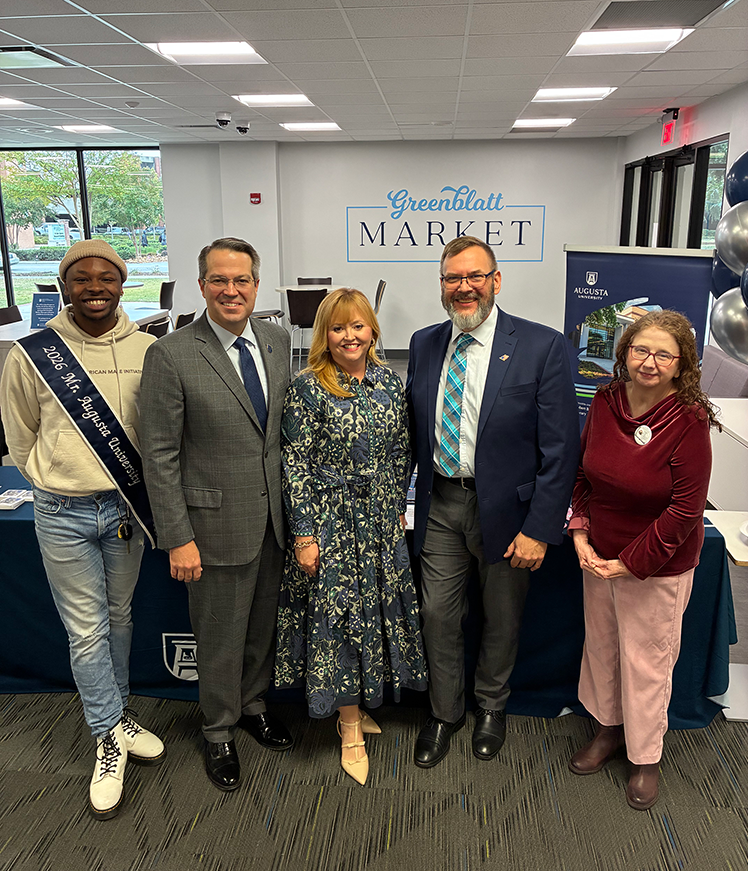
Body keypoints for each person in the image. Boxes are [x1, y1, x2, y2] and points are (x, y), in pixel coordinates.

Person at [0, 240, 165, 820]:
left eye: (106, 278)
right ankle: (106, 736)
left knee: (119, 618)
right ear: (65, 286)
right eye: (82, 279)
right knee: (88, 630)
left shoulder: (150, 349)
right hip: (62, 512)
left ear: (122, 284)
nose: (95, 287)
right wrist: (57, 477)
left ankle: (117, 719)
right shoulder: (30, 353)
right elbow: (19, 438)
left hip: (124, 512)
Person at [406, 235, 579, 768]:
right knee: (437, 613)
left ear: (495, 281)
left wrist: (539, 527)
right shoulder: (424, 342)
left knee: (502, 617)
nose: (464, 288)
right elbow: (413, 430)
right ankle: (444, 711)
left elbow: (561, 449)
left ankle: (491, 707)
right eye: (452, 278)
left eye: (474, 276)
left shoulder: (541, 346)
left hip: (508, 513)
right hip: (441, 502)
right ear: (441, 285)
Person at [139, 237, 293, 792]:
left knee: (260, 630)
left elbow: (276, 439)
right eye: (220, 281)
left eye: (242, 280)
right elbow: (158, 455)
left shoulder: (277, 342)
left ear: (256, 284)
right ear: (202, 285)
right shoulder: (172, 353)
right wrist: (177, 536)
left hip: (273, 522)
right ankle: (219, 730)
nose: (232, 291)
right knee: (219, 635)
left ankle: (253, 707)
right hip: (210, 527)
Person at [275, 288, 427, 785]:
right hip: (331, 524)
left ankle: (359, 703)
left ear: (373, 330)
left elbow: (403, 451)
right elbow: (294, 465)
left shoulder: (389, 382)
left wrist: (394, 508)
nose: (349, 336)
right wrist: (305, 535)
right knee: (339, 620)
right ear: (325, 334)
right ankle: (348, 726)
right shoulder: (308, 387)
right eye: (338, 328)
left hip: (380, 525)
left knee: (375, 615)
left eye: (357, 326)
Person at [568, 310, 717, 810]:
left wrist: (632, 562)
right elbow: (583, 475)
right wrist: (581, 533)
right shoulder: (606, 401)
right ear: (624, 353)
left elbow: (685, 510)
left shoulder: (689, 420)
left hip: (657, 565)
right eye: (640, 350)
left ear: (681, 365)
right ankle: (608, 731)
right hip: (598, 556)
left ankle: (645, 756)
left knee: (647, 662)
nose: (649, 362)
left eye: (663, 355)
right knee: (604, 648)